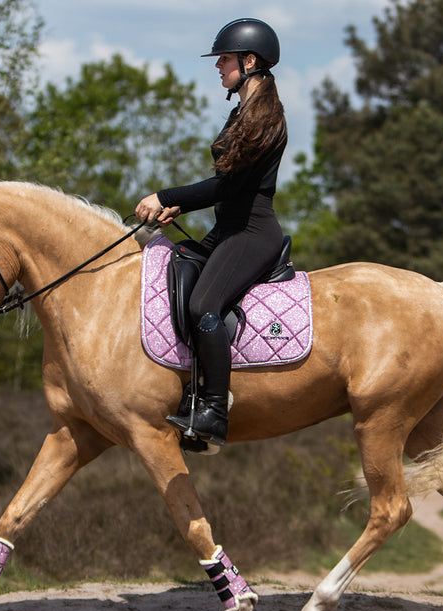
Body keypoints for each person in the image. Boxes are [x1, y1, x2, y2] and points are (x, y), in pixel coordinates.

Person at [136, 17, 288, 447]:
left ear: (250, 60)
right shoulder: (244, 112)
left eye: (224, 59)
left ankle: (214, 411)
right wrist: (180, 204)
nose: (218, 66)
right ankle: (190, 394)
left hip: (252, 233)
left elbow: (229, 186)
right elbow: (226, 187)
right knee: (177, 268)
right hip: (228, 228)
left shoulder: (267, 117)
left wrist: (165, 194)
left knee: (205, 304)